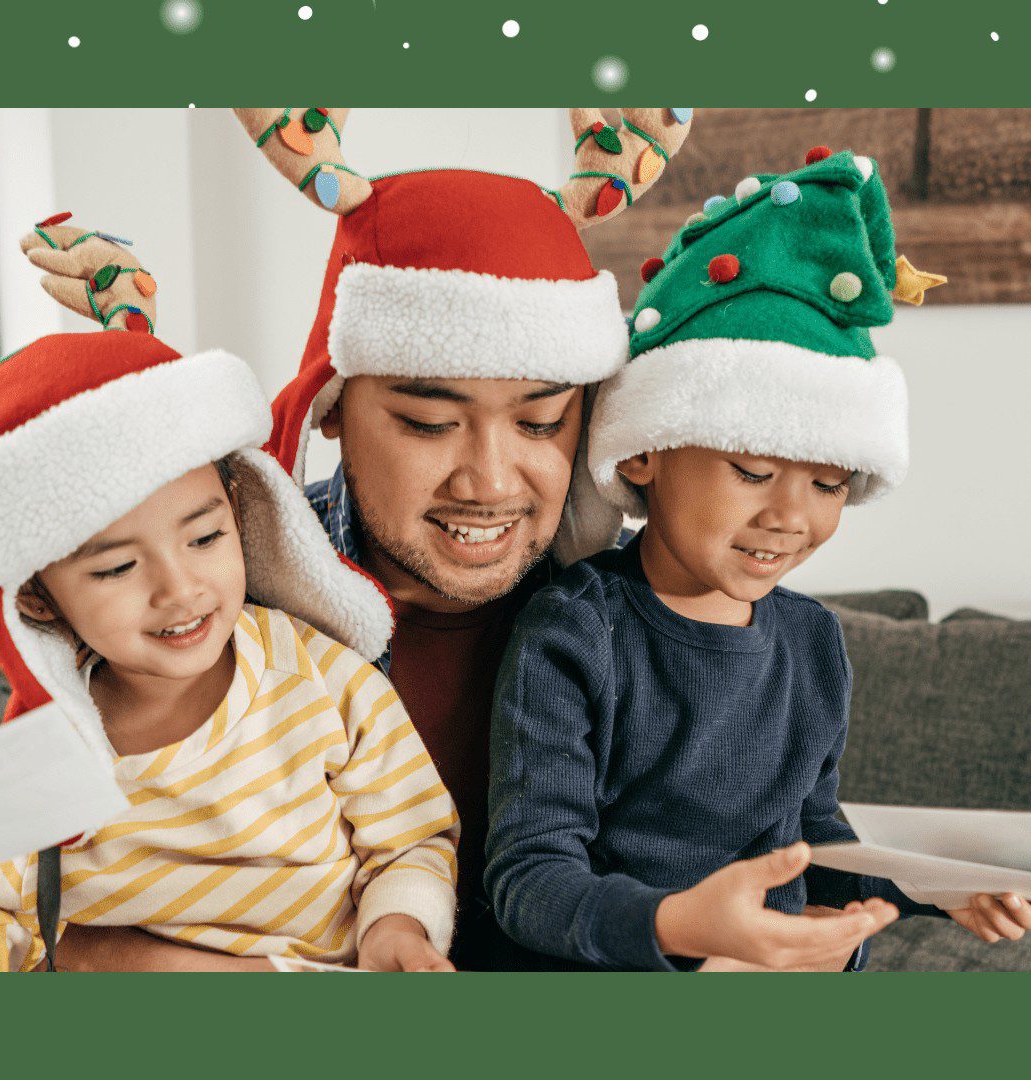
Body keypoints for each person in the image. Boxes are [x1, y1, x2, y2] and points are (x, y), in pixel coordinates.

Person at [41, 108, 712, 971]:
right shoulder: (204, 603)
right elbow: (26, 893)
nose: (493, 481)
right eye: (431, 423)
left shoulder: (649, 634)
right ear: (335, 407)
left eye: (541, 422)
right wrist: (91, 953)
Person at [482, 147, 1031, 971]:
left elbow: (815, 844)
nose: (790, 518)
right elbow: (530, 879)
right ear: (643, 452)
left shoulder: (812, 644)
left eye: (831, 483)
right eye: (753, 472)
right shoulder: (577, 631)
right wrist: (680, 928)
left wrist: (939, 887)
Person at [0, 328, 458, 971]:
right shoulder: (43, 764)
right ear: (38, 598)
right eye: (115, 568)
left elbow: (411, 839)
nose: (180, 589)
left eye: (205, 537)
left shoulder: (325, 678)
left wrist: (398, 924)